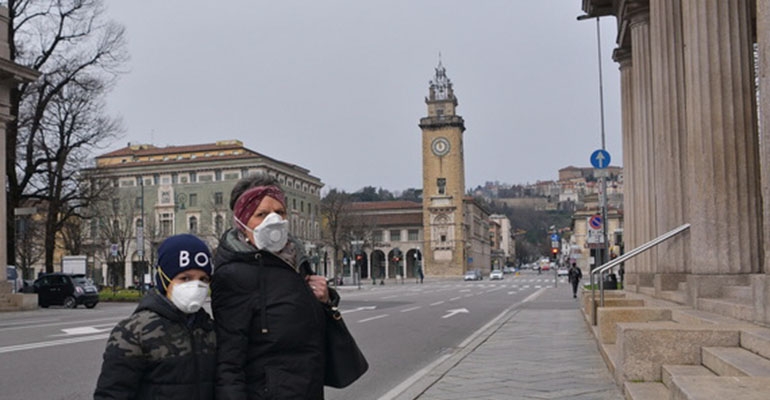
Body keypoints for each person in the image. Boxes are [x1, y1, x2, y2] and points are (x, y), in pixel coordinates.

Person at [212, 174, 338, 399]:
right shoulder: (233, 275)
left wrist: (326, 300)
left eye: (279, 212)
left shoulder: (296, 261)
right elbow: (229, 362)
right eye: (261, 214)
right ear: (241, 222)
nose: (274, 220)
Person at [94, 234, 216, 400]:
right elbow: (112, 394)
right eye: (185, 278)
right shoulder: (133, 332)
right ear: (164, 279)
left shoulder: (209, 329)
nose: (196, 286)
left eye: (203, 279)